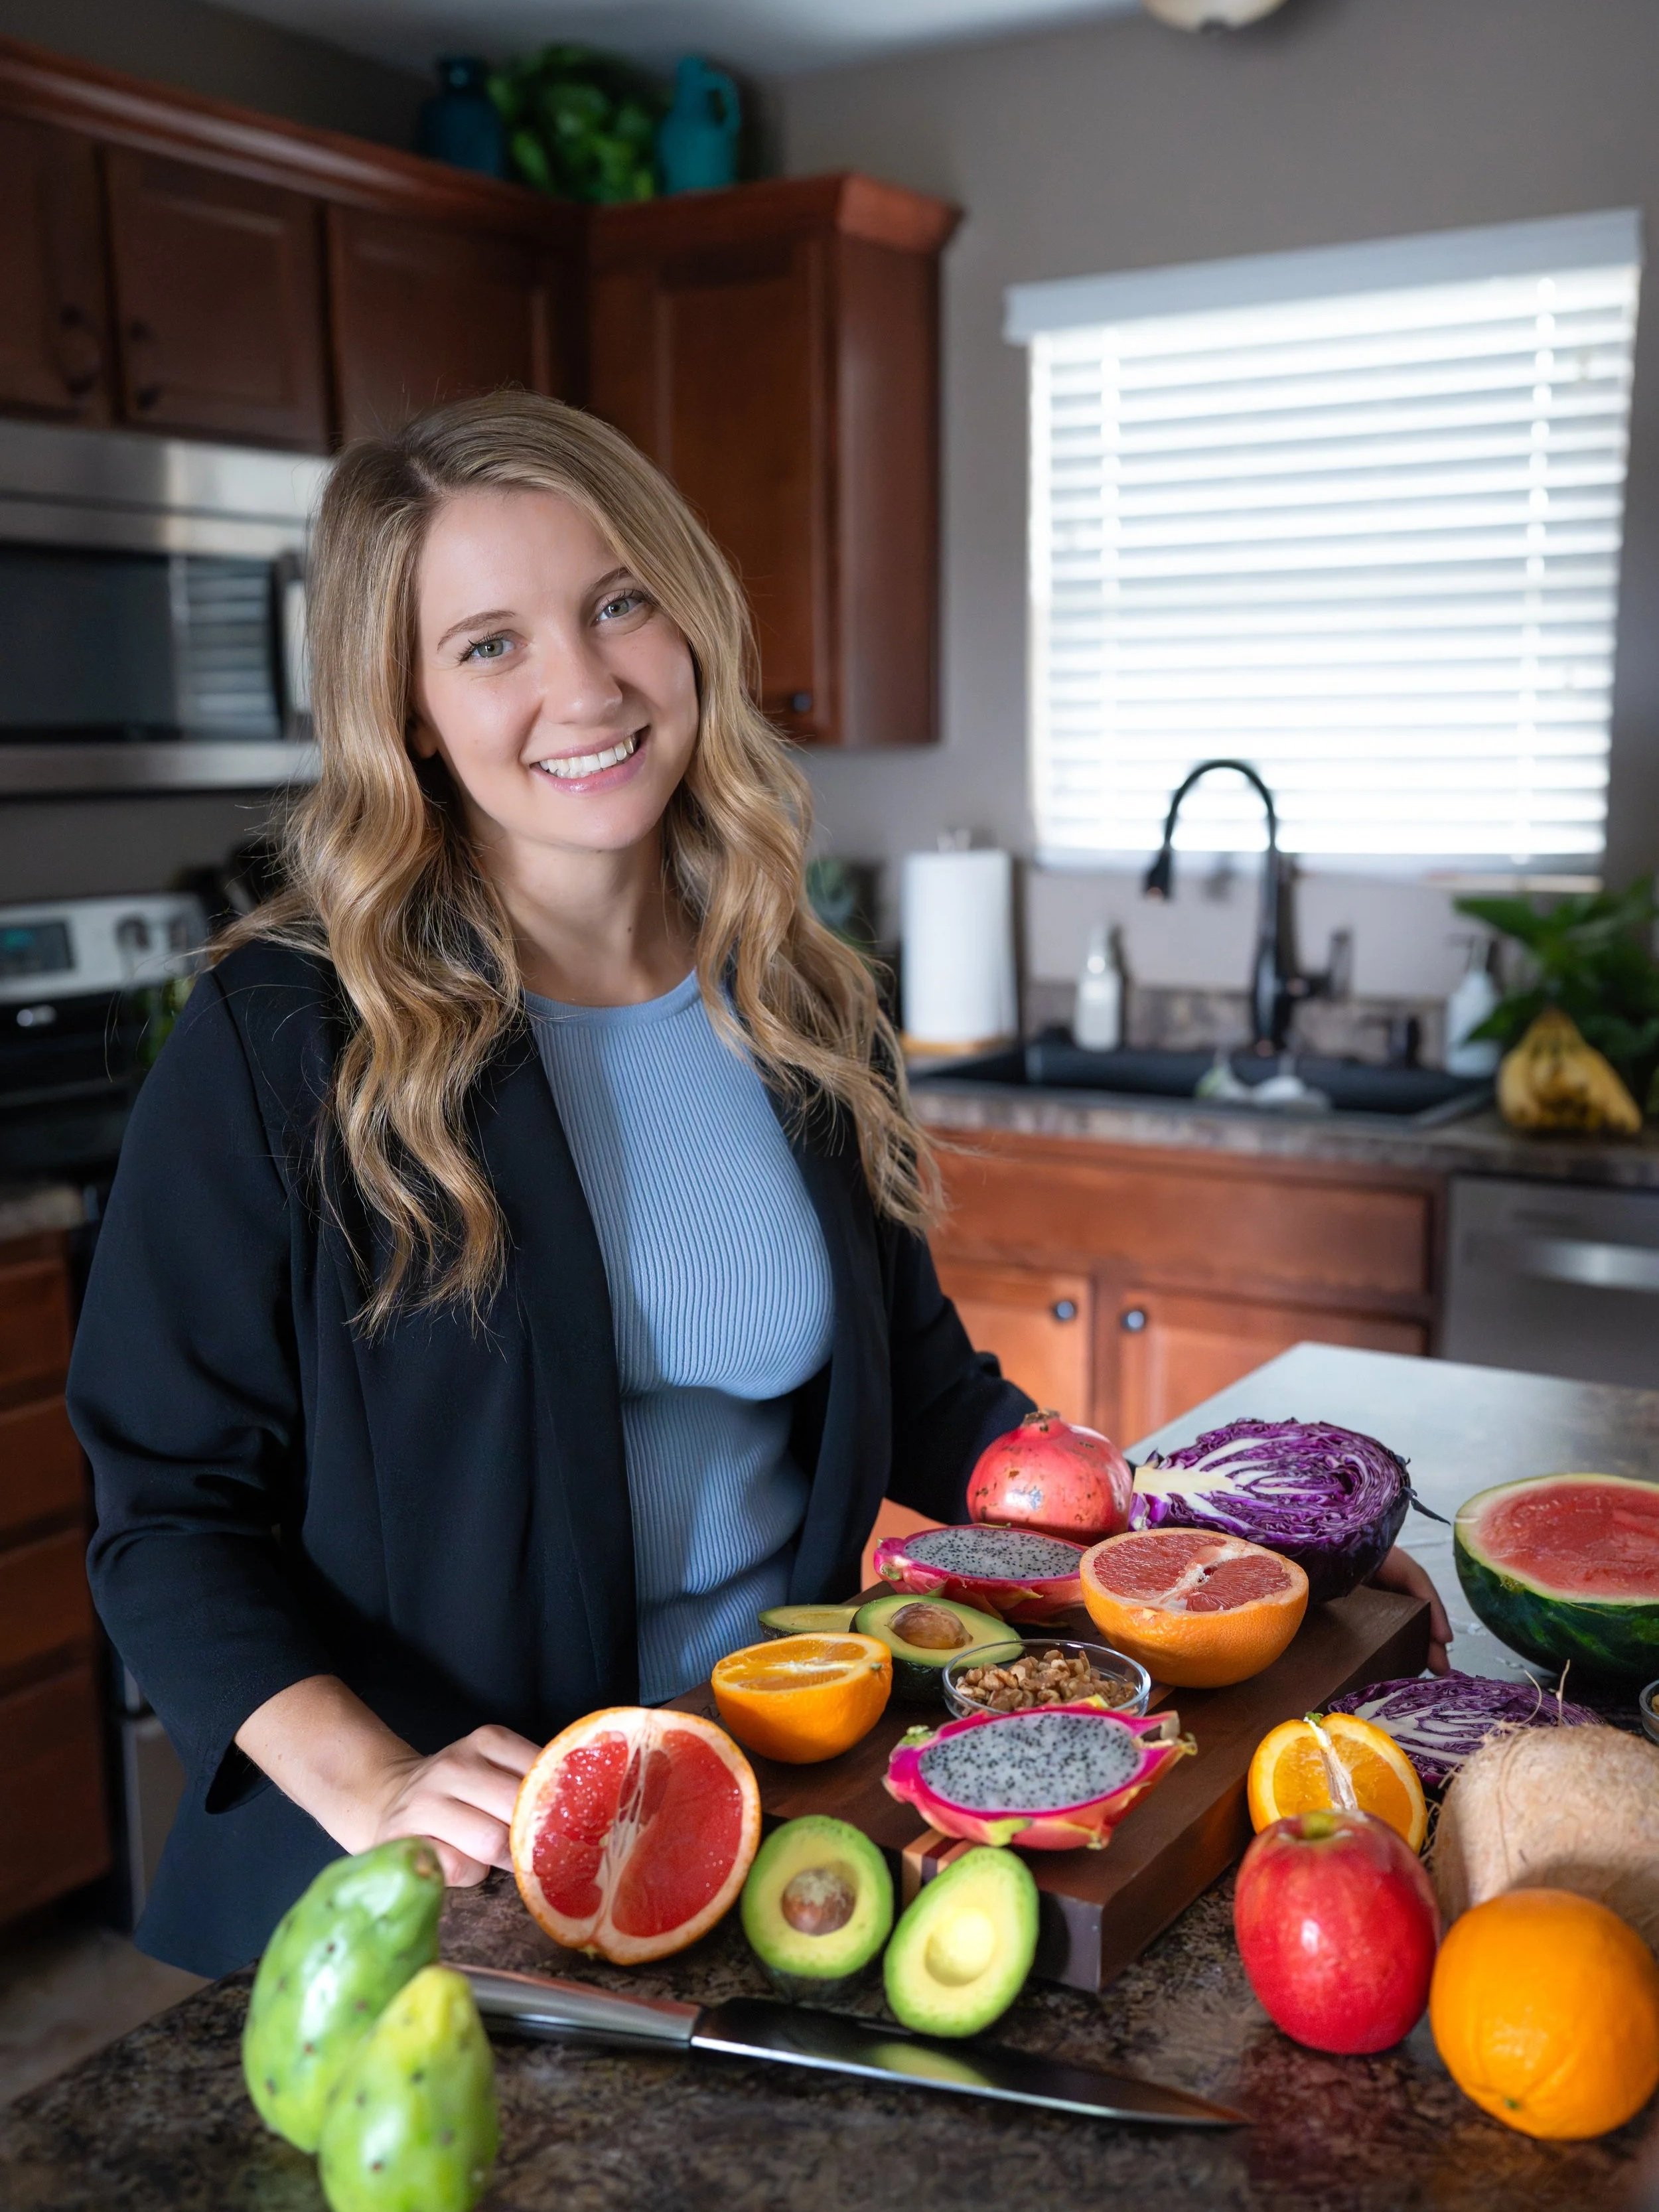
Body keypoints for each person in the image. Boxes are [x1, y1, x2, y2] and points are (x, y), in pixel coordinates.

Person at [70, 392, 1450, 1978]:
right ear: (408, 708)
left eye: (614, 602)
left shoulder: (799, 996)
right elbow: (164, 1513)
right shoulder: (289, 1035)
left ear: (689, 613)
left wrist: (1209, 1542)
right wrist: (373, 1779)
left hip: (760, 1821)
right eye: (489, 644)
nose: (582, 685)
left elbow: (933, 1393)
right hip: (421, 1889)